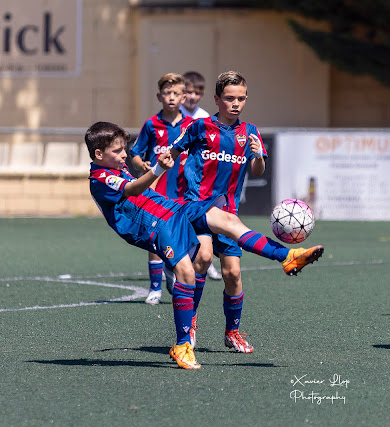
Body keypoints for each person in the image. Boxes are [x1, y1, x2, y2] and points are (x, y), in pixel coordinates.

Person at [85, 121, 324, 369]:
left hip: (171, 209)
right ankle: (182, 345)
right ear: (99, 154)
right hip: (155, 226)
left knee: (228, 220)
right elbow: (133, 190)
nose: (124, 154)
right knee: (186, 273)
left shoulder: (116, 167)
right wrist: (157, 169)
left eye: (124, 149)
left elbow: (140, 189)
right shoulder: (100, 178)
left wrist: (155, 172)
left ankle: (287, 256)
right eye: (117, 151)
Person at [168, 70, 267, 354]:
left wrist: (257, 155)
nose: (236, 103)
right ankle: (190, 323)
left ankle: (232, 332)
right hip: (198, 208)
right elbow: (174, 150)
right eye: (229, 98)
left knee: (232, 273)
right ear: (216, 99)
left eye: (241, 98)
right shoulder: (200, 127)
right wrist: (162, 168)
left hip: (228, 214)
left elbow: (258, 169)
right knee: (203, 257)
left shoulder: (250, 132)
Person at [129, 73, 193, 305]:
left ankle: (173, 270)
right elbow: (135, 153)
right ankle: (155, 288)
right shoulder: (151, 125)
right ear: (159, 96)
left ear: (184, 97)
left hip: (186, 192)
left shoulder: (191, 125)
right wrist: (142, 165)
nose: (171, 97)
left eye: (176, 93)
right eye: (167, 93)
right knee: (154, 238)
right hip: (157, 192)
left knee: (184, 240)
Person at [177, 71, 223, 281]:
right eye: (189, 92)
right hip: (174, 177)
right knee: (177, 220)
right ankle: (172, 263)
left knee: (202, 219)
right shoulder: (174, 114)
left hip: (196, 179)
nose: (192, 97)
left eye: (197, 93)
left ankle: (206, 261)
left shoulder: (204, 116)